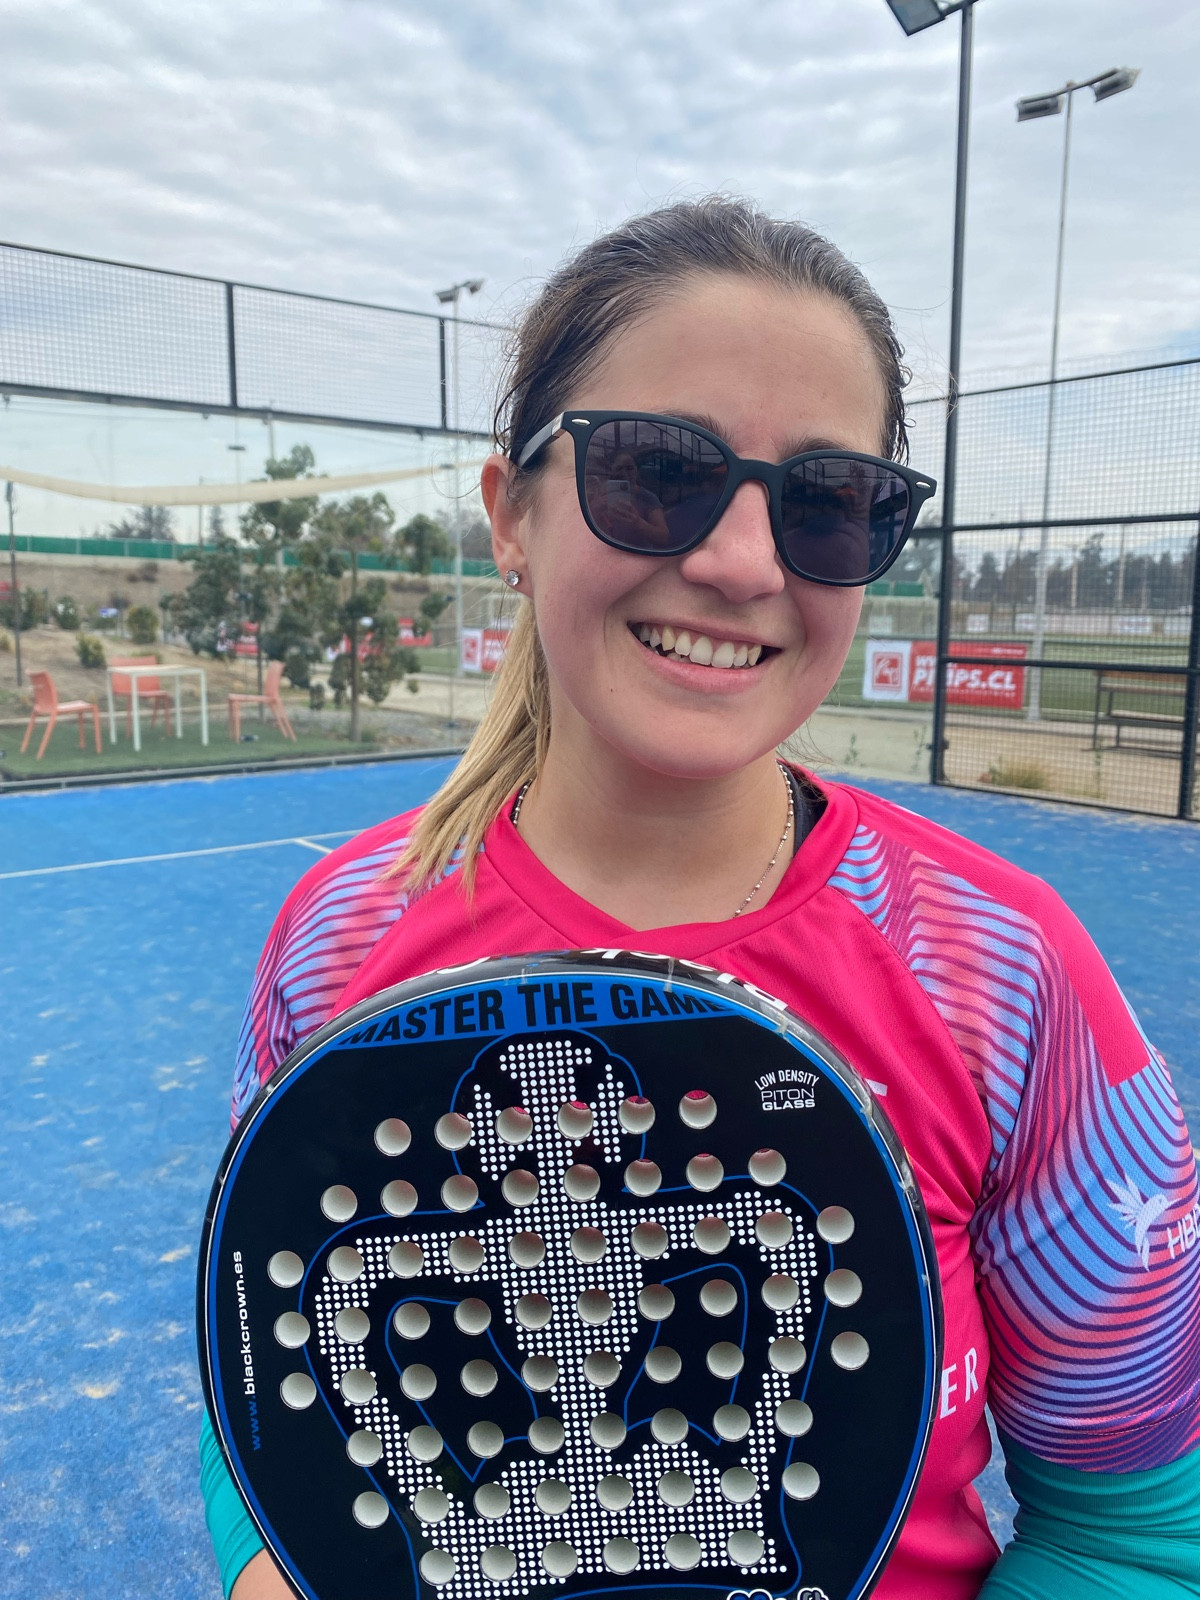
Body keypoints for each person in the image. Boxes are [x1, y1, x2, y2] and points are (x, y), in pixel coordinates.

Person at [200, 197, 1200, 1600]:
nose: (742, 562)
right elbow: (264, 1373)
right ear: (510, 515)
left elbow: (1134, 1531)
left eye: (829, 501)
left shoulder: (1003, 971)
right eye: (658, 472)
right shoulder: (343, 936)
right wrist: (263, 1566)